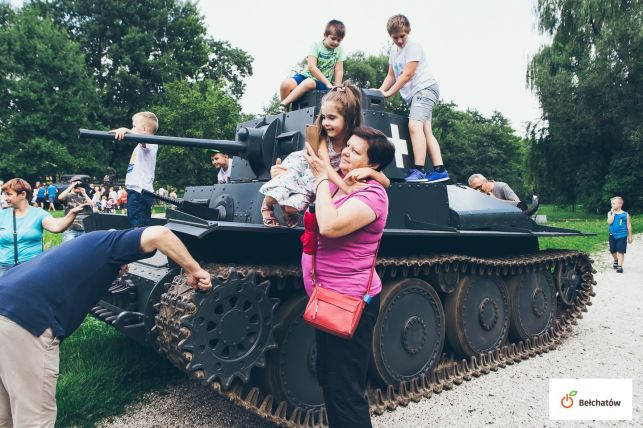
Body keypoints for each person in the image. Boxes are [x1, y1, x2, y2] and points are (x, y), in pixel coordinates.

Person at [0, 225, 211, 426]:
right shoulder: (112, 243)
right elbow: (160, 234)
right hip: (26, 321)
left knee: (4, 412)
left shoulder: (85, 245)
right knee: (34, 417)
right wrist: (194, 270)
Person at [302, 126, 395, 427]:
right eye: (347, 146)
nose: (346, 151)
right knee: (329, 377)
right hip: (327, 299)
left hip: (350, 302)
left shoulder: (373, 194)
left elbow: (330, 225)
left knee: (346, 390)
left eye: (355, 151)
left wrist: (319, 181)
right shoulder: (344, 184)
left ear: (374, 164)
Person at [260, 83, 389, 228]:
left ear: (349, 118)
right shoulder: (322, 138)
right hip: (304, 165)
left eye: (332, 118)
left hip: (315, 176)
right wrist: (345, 187)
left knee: (292, 207)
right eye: (324, 118)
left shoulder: (354, 142)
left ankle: (287, 212)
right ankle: (267, 206)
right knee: (281, 187)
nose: (326, 123)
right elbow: (325, 166)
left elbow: (386, 182)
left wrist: (370, 171)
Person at [378, 14, 449, 183]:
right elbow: (392, 75)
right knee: (425, 131)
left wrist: (389, 93)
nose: (400, 40)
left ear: (408, 32)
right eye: (395, 38)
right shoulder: (394, 51)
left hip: (424, 89)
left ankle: (419, 170)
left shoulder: (414, 46)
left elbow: (407, 74)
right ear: (390, 36)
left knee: (414, 126)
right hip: (416, 94)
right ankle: (439, 169)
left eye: (402, 36)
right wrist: (380, 91)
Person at [0, 178, 87, 276]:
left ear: (23, 194)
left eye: (9, 194)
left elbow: (57, 227)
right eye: (4, 194)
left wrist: (72, 214)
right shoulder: (2, 215)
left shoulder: (38, 214)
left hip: (31, 267)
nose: (5, 198)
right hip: (4, 269)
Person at [279, 20, 347, 110]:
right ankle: (285, 110)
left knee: (310, 82)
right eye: (333, 38)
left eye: (339, 40)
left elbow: (339, 70)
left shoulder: (339, 49)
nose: (336, 42)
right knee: (285, 84)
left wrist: (337, 87)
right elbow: (312, 67)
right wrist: (328, 83)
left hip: (321, 82)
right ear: (325, 35)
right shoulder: (316, 45)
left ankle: (284, 103)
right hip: (307, 75)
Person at [111, 111, 159, 227]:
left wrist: (126, 130)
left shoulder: (151, 143)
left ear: (144, 129)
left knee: (139, 228)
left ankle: (141, 245)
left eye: (134, 126)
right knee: (136, 225)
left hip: (140, 193)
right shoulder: (140, 147)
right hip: (136, 192)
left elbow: (143, 140)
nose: (132, 128)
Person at [57, 175, 95, 242]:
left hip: (84, 229)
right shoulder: (67, 196)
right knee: (68, 249)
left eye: (79, 183)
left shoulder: (84, 197)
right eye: (76, 183)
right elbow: (60, 197)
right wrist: (72, 186)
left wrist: (84, 193)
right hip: (70, 229)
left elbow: (92, 205)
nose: (78, 185)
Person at [607, 196, 633, 273]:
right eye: (612, 204)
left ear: (620, 204)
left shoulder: (625, 214)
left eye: (614, 203)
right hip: (612, 235)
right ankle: (616, 259)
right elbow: (609, 222)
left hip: (622, 235)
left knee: (621, 251)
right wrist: (613, 213)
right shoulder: (610, 213)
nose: (612, 205)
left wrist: (630, 236)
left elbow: (629, 225)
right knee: (612, 250)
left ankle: (620, 266)